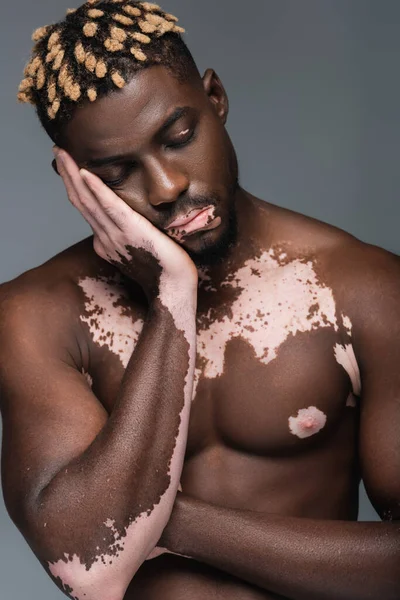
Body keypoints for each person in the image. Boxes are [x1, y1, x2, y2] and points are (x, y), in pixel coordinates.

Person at [1, 1, 399, 599]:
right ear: (73, 180)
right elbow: (91, 572)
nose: (167, 187)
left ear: (215, 99)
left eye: (179, 137)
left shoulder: (361, 289)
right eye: (116, 173)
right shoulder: (36, 316)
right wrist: (171, 297)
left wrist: (153, 514)